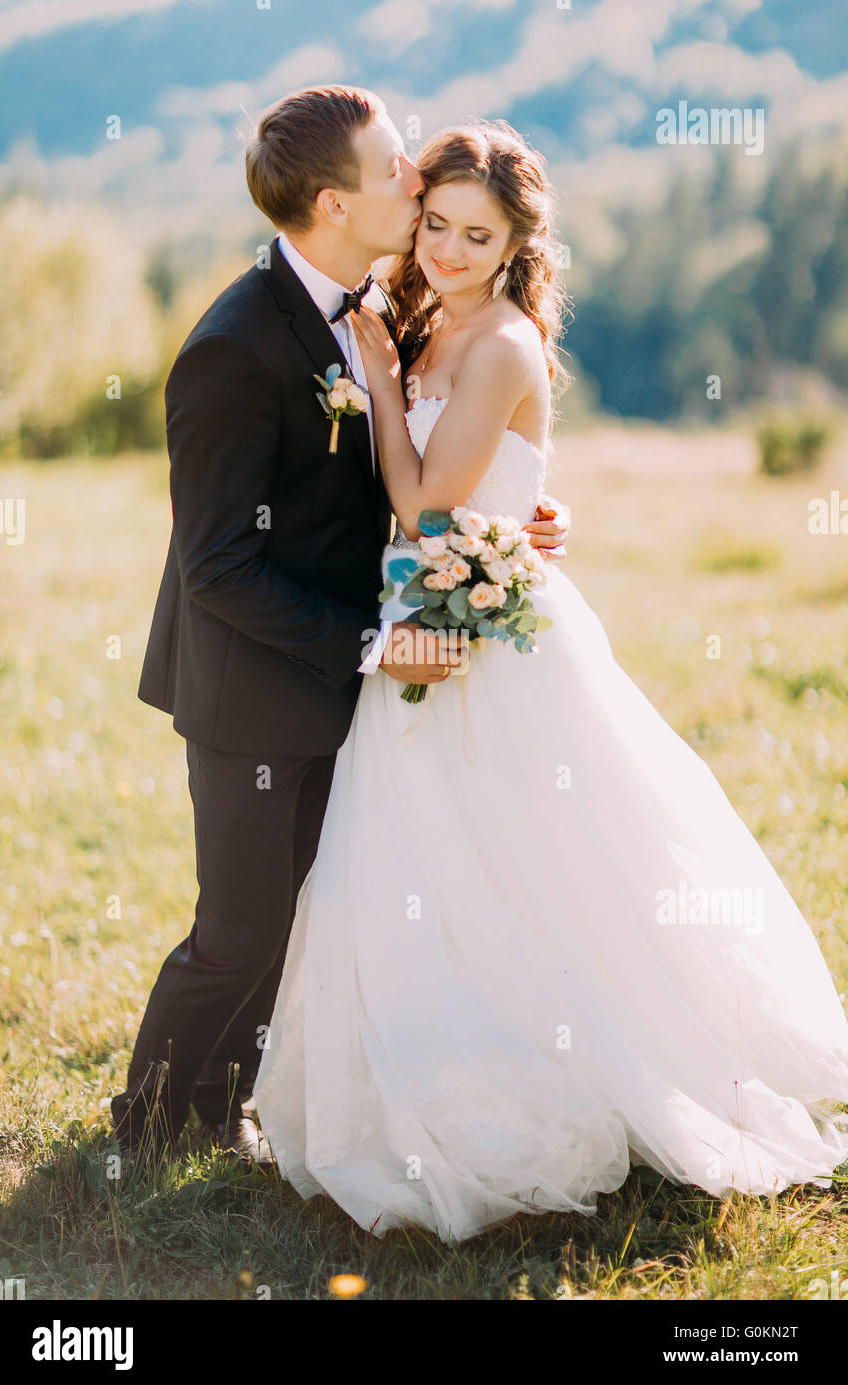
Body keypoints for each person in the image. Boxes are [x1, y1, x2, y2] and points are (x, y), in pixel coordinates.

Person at [253, 119, 848, 1242]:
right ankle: (424, 1066)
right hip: (424, 621)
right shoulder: (426, 315)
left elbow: (429, 504)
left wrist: (381, 389)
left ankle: (592, 1065)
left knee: (535, 860)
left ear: (519, 240)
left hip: (492, 645)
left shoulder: (503, 345)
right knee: (417, 859)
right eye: (432, 224)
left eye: (476, 235)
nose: (445, 250)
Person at [110, 88, 565, 1164]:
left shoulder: (367, 306)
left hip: (339, 672)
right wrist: (367, 644)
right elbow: (216, 563)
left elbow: (402, 468)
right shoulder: (231, 346)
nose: (416, 178)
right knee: (238, 930)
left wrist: (513, 518)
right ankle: (152, 1130)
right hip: (256, 685)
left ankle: (242, 1105)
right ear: (332, 201)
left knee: (309, 912)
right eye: (397, 167)